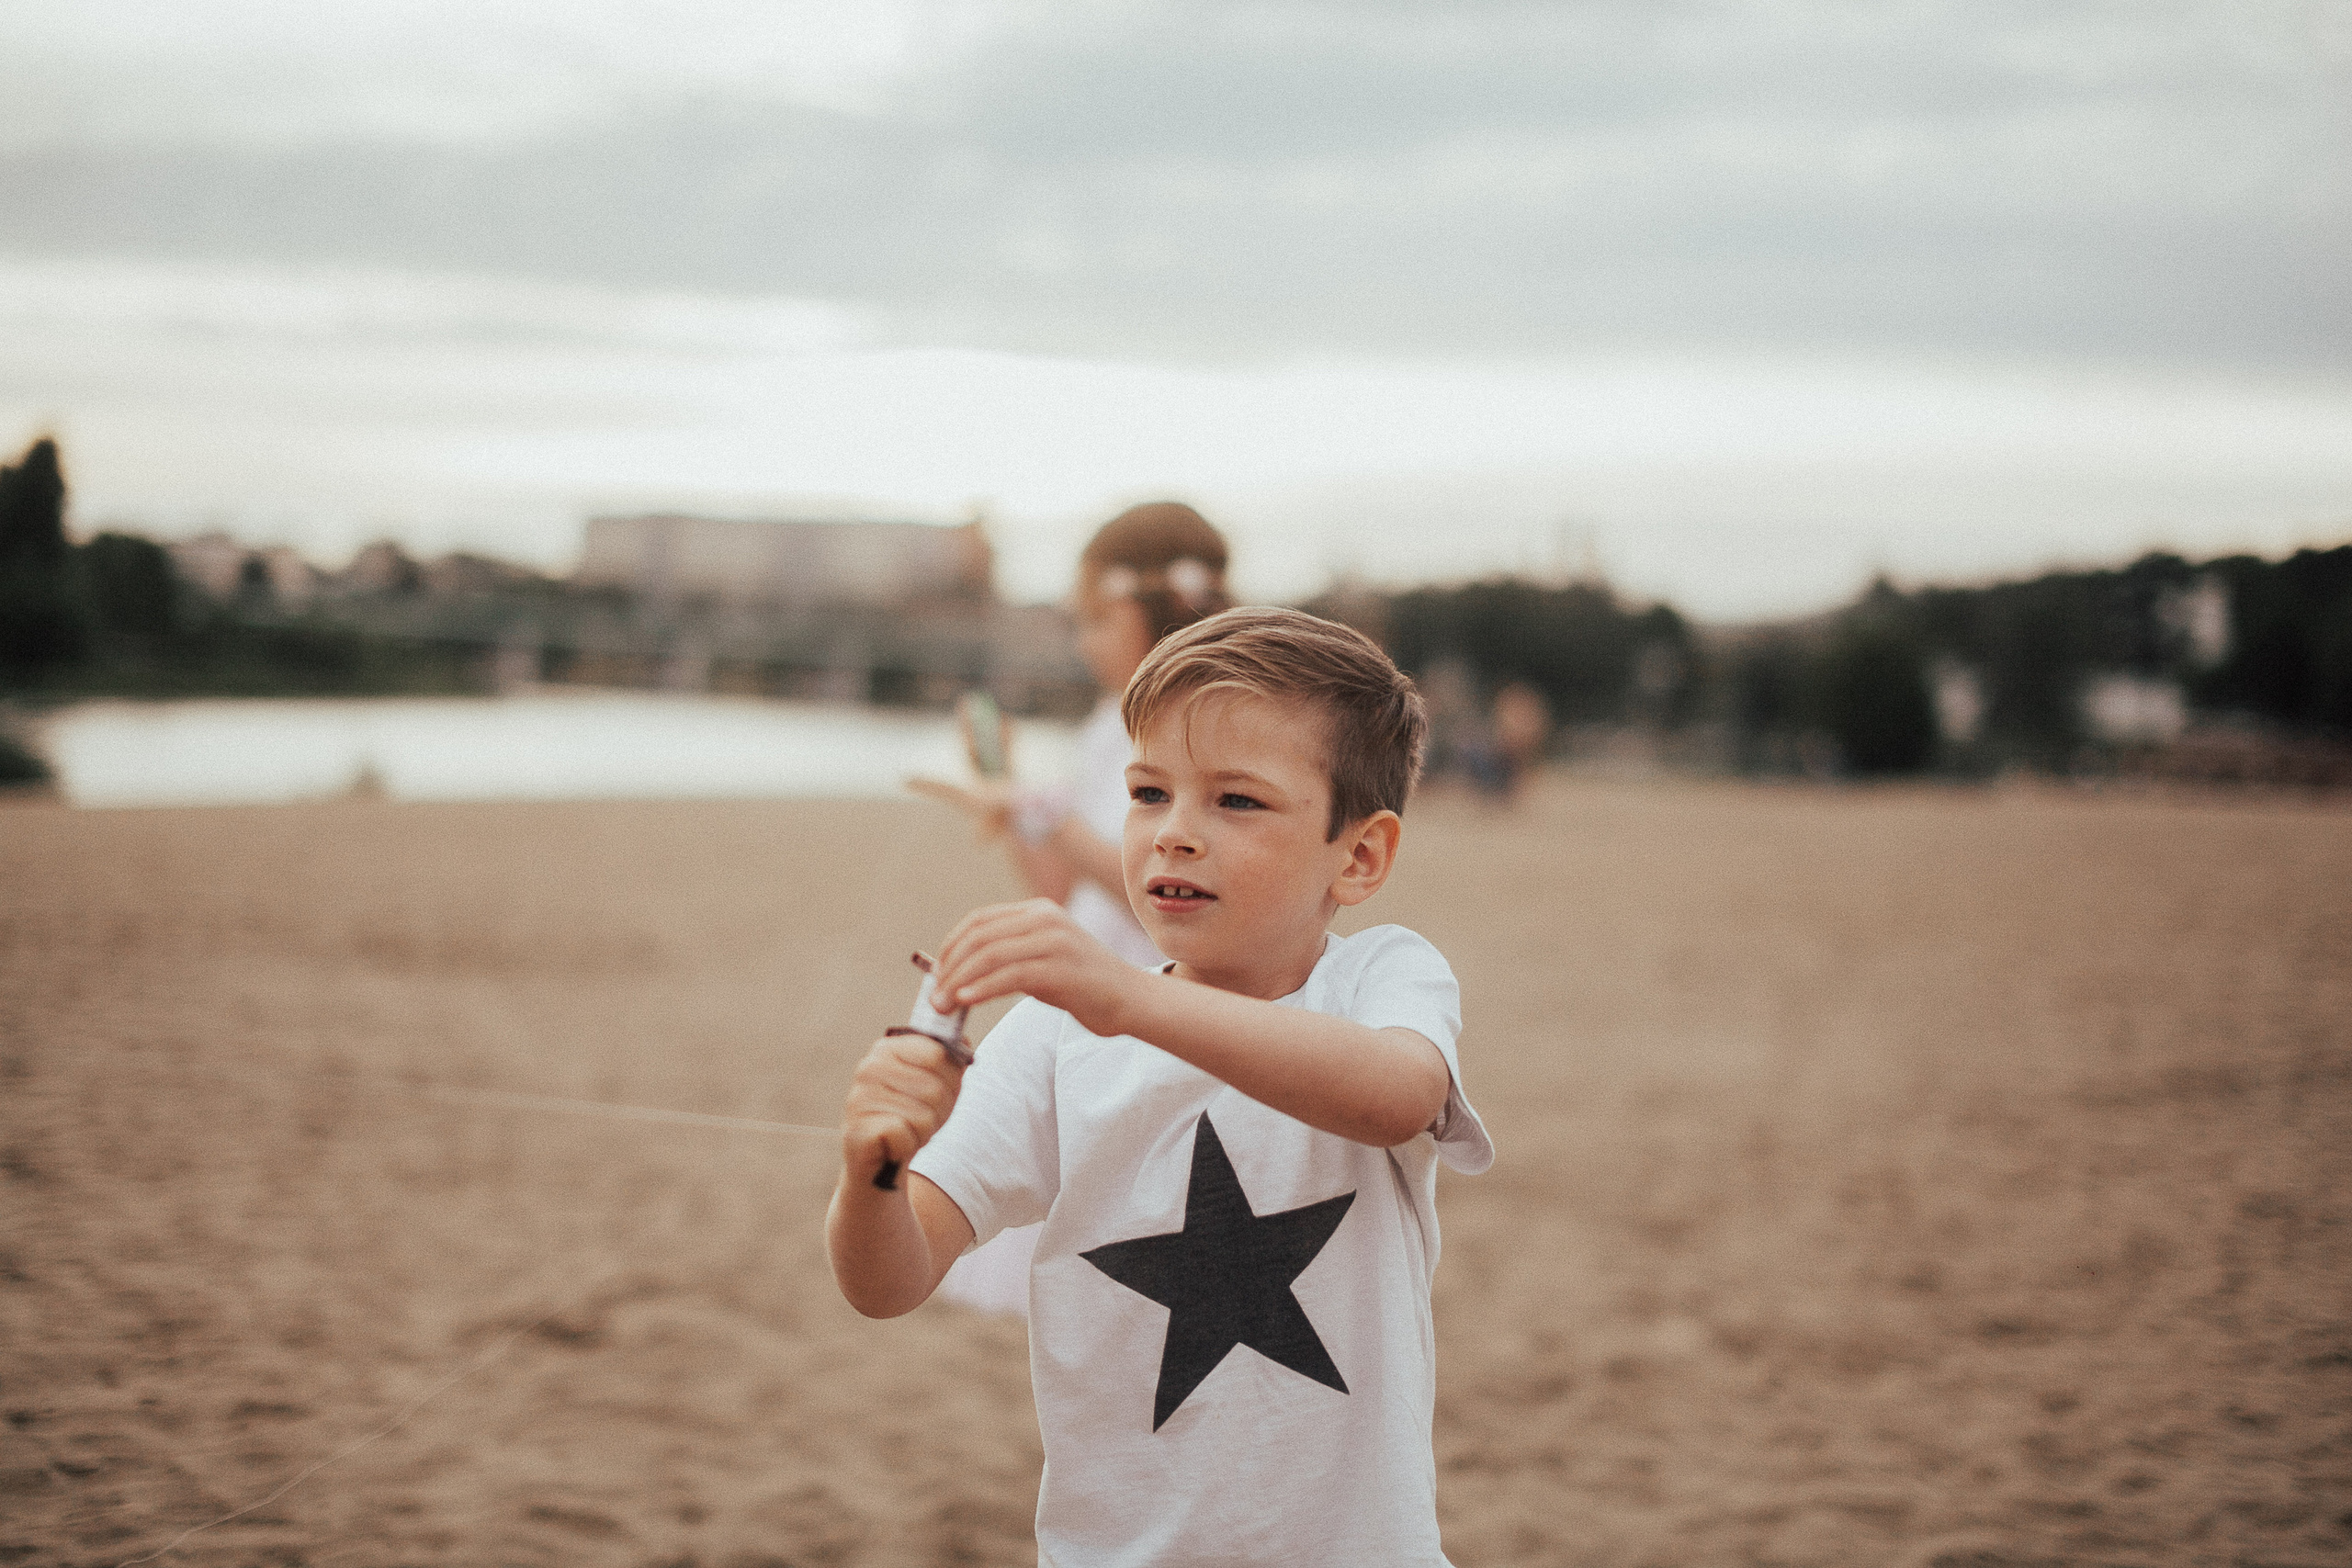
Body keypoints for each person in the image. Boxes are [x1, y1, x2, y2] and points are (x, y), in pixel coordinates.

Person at [831, 607, 1495, 1565]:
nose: (1174, 835)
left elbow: (1396, 1095)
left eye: (1237, 801)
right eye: (1147, 793)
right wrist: (873, 1171)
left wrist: (1126, 1002)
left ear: (1359, 857)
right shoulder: (1056, 1035)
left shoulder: (1380, 980)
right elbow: (886, 1282)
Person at [906, 502, 1231, 1312]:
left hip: (1151, 984)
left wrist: (1044, 807)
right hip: (1089, 976)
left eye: (1093, 618)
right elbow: (1060, 887)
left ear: (1147, 610)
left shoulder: (1191, 724)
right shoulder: (1102, 725)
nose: (1083, 640)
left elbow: (1154, 882)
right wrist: (1010, 793)